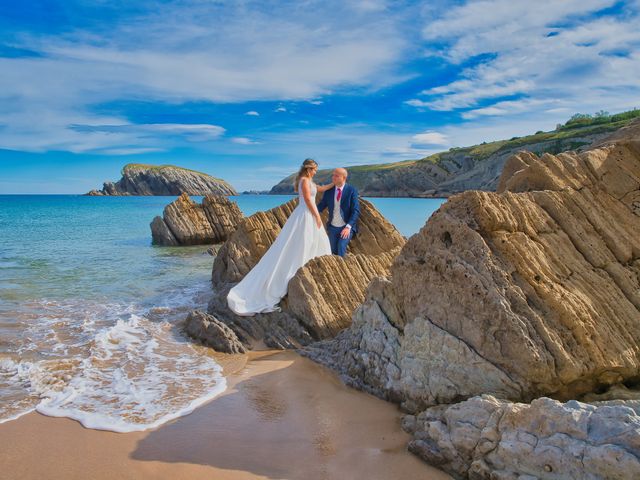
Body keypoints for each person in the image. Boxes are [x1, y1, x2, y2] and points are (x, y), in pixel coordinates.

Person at [226, 159, 334, 316]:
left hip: (308, 215)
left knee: (315, 240)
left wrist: (335, 184)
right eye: (315, 169)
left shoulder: (310, 180)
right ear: (309, 169)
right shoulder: (304, 181)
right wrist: (317, 216)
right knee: (300, 243)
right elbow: (309, 201)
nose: (316, 171)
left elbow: (321, 188)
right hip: (304, 215)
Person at [316, 168, 360, 257]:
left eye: (336, 176)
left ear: (344, 178)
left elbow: (355, 211)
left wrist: (348, 227)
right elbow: (321, 206)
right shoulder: (329, 191)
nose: (333, 177)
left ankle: (345, 269)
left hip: (346, 227)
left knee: (341, 246)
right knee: (332, 251)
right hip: (332, 227)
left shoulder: (351, 190)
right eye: (333, 175)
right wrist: (309, 212)